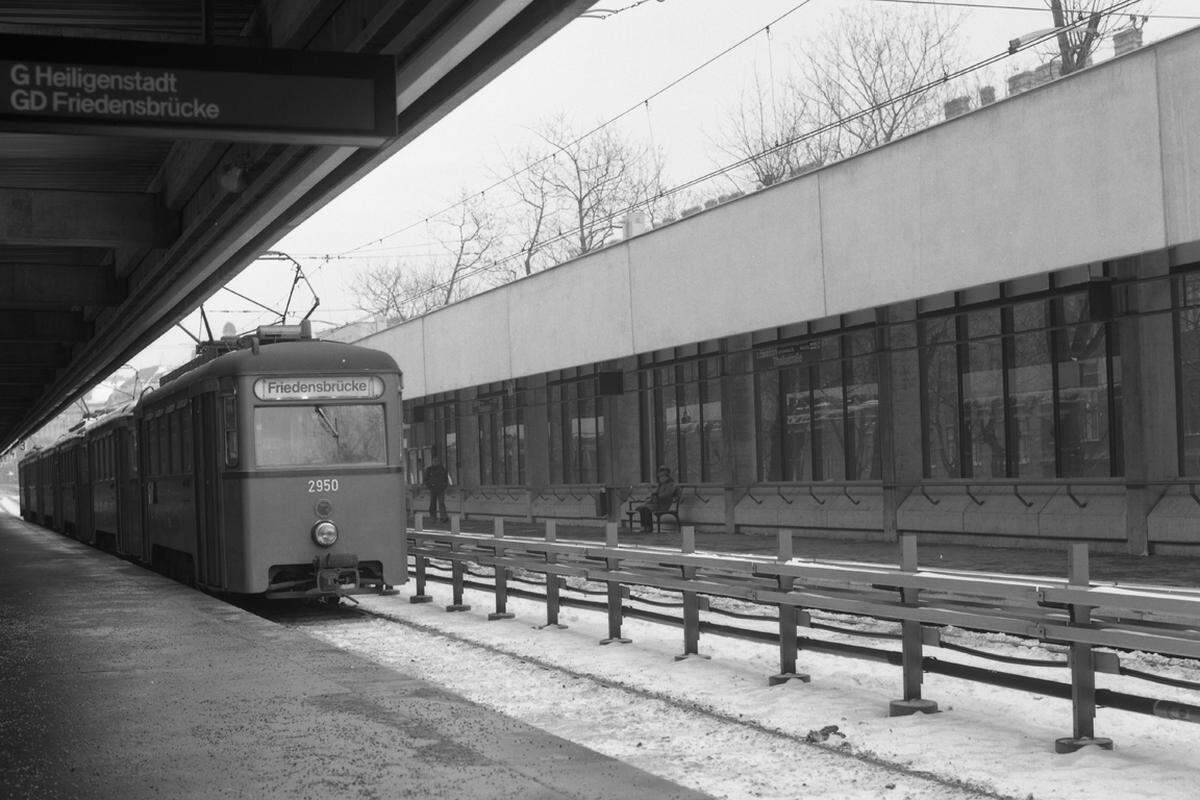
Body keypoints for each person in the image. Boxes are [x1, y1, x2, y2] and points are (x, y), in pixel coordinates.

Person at [636, 465, 677, 533]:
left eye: (662, 477)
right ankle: (644, 526)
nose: (660, 478)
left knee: (646, 508)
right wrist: (652, 493)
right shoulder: (660, 485)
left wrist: (656, 495)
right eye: (660, 477)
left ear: (667, 476)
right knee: (642, 508)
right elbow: (655, 492)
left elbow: (667, 494)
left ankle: (649, 527)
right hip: (655, 503)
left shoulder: (671, 484)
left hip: (662, 504)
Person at [423, 454, 450, 522]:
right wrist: (430, 486)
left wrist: (444, 486)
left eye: (437, 461)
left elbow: (446, 478)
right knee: (433, 504)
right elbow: (425, 479)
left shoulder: (442, 469)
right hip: (433, 489)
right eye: (434, 461)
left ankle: (443, 517)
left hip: (441, 489)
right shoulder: (429, 470)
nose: (435, 462)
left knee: (441, 503)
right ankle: (433, 517)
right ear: (432, 461)